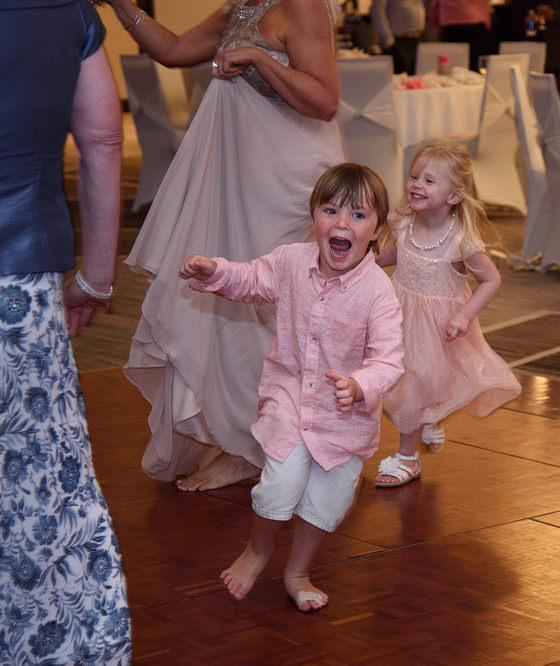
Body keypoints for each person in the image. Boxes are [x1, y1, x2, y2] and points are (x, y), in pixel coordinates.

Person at [99, 0, 347, 491]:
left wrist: (260, 60)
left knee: (270, 312)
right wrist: (122, 6)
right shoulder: (243, 7)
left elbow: (325, 100)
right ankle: (243, 435)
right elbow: (172, 50)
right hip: (242, 177)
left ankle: (258, 448)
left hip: (284, 179)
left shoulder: (301, 5)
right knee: (229, 298)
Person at [180, 163, 404, 611]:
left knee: (328, 503)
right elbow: (250, 279)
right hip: (289, 398)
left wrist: (360, 385)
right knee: (281, 483)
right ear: (313, 217)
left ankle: (297, 571)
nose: (342, 224)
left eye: (358, 216)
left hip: (345, 421)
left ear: (378, 229)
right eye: (331, 210)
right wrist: (213, 271)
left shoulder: (379, 292)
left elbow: (389, 359)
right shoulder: (290, 262)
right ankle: (257, 550)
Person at [0, 1, 132, 662]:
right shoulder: (67, 7)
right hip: (22, 285)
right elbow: (103, 140)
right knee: (38, 489)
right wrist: (98, 277)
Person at [373, 142, 522, 487]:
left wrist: (464, 316)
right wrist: (373, 261)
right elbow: (399, 251)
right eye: (413, 177)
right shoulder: (404, 221)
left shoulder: (462, 240)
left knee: (414, 384)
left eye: (428, 180)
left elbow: (491, 279)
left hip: (438, 326)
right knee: (405, 382)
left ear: (454, 196)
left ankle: (407, 459)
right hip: (397, 315)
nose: (416, 185)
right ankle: (429, 418)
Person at [431, 0, 494, 68]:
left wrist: (438, 29)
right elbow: (485, 5)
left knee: (452, 65)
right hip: (475, 23)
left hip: (450, 26)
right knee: (476, 65)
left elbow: (435, 10)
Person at [372, 0, 429, 74]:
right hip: (397, 39)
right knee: (400, 77)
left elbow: (427, 4)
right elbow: (377, 11)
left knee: (419, 76)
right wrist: (387, 40)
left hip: (417, 37)